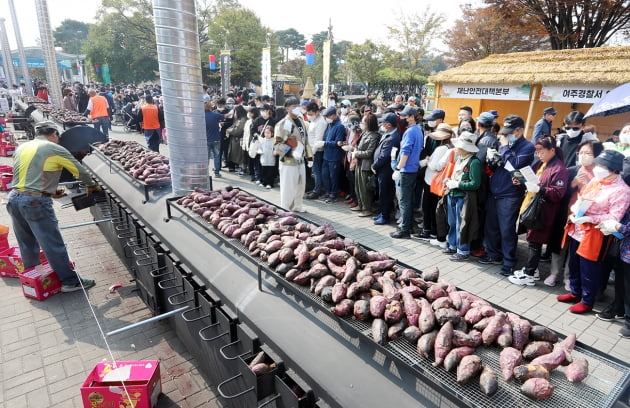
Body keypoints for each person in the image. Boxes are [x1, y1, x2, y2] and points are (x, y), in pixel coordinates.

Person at [7, 126, 100, 292]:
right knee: (52, 243)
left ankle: (34, 279)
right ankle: (70, 282)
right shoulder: (54, 148)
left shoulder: (23, 146)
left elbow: (28, 172)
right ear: (54, 134)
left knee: (27, 243)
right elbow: (79, 171)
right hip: (35, 202)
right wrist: (93, 186)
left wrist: (50, 187)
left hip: (14, 198)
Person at [558, 150, 630, 314]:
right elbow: (583, 196)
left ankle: (587, 300)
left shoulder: (622, 190)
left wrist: (591, 219)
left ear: (613, 169)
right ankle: (575, 291)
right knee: (574, 263)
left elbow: (615, 216)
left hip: (596, 234)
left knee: (589, 268)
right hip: (578, 228)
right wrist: (577, 208)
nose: (597, 168)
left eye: (602, 165)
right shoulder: (596, 180)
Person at [479, 114, 535, 276]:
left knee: (507, 230)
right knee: (491, 227)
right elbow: (499, 166)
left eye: (510, 132)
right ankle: (493, 255)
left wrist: (503, 148)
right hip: (495, 190)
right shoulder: (504, 144)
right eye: (505, 132)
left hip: (510, 194)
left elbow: (515, 166)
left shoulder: (527, 147)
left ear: (520, 130)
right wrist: (492, 159)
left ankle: (509, 261)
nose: (507, 135)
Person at [508, 136, 569, 286]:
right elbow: (531, 181)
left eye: (541, 151)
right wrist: (520, 181)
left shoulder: (559, 169)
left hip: (544, 211)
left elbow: (557, 193)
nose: (539, 155)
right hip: (533, 205)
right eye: (537, 152)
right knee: (532, 240)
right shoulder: (542, 164)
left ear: (552, 150)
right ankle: (532, 271)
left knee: (535, 242)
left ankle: (529, 273)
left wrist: (540, 189)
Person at [545, 140, 603, 288]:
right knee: (559, 245)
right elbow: (560, 194)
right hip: (566, 215)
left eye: (588, 153)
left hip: (585, 220)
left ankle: (568, 277)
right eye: (581, 152)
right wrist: (572, 184)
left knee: (575, 249)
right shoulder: (571, 171)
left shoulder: (600, 174)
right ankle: (554, 273)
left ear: (596, 155)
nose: (583, 156)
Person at [443, 132, 482, 261]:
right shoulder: (460, 158)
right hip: (452, 194)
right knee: (452, 222)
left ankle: (463, 250)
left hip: (463, 197)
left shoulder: (474, 162)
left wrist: (457, 184)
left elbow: (475, 184)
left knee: (462, 225)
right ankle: (453, 245)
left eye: (459, 146)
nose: (456, 148)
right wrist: (449, 181)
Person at [416, 123, 454, 245]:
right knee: (434, 207)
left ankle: (427, 231)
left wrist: (428, 161)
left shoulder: (441, 149)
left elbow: (437, 166)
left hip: (431, 180)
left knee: (427, 206)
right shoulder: (451, 148)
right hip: (439, 182)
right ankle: (433, 230)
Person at [597, 203, 630, 338]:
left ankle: (629, 323)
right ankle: (620, 310)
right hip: (625, 250)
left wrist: (617, 227)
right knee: (622, 284)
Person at [391, 105, 423, 239]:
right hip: (413, 169)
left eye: (404, 116)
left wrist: (398, 168)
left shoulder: (410, 132)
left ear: (411, 117)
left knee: (404, 201)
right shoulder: (418, 130)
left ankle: (405, 230)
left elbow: (405, 152)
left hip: (406, 170)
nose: (401, 118)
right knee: (408, 200)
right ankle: (408, 226)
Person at [274, 97, 309, 212]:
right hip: (288, 160)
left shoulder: (300, 120)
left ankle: (297, 205)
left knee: (300, 184)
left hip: (301, 159)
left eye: (297, 105)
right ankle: (285, 207)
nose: (297, 108)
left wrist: (308, 154)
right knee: (288, 186)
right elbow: (278, 144)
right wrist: (292, 150)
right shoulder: (283, 123)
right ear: (287, 108)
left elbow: (305, 139)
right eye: (293, 106)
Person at [372, 113, 401, 225]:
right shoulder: (388, 134)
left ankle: (385, 216)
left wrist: (374, 165)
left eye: (383, 122)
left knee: (385, 194)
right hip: (382, 170)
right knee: (382, 193)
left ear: (389, 125)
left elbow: (384, 156)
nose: (381, 124)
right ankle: (382, 213)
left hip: (386, 170)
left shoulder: (393, 138)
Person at [351, 114, 380, 217]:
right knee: (358, 186)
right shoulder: (364, 133)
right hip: (359, 163)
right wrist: (354, 152)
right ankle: (360, 205)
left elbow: (369, 153)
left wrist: (356, 153)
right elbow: (358, 146)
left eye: (363, 122)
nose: (361, 124)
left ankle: (367, 208)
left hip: (366, 165)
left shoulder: (374, 136)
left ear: (369, 123)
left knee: (365, 189)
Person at [317, 106, 346, 204]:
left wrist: (325, 143)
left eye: (328, 116)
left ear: (334, 115)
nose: (326, 119)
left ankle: (333, 194)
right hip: (326, 155)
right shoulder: (330, 125)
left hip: (334, 156)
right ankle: (328, 192)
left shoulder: (339, 126)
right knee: (325, 175)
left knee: (333, 176)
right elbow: (326, 137)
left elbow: (338, 142)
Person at [305, 102, 327, 199]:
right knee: (314, 171)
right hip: (312, 150)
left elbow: (318, 140)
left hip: (317, 151)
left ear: (317, 112)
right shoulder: (314, 121)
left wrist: (312, 153)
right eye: (308, 114)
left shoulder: (321, 122)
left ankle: (317, 190)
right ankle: (316, 188)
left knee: (316, 171)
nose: (309, 116)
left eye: (311, 114)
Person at [205, 101, 223, 178]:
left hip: (206, 139)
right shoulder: (215, 115)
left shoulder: (201, 116)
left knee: (207, 157)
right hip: (216, 138)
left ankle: (205, 173)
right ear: (210, 107)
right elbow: (225, 116)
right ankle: (217, 173)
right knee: (217, 156)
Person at [226, 105, 247, 174]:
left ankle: (243, 169)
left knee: (240, 156)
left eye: (235, 112)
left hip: (239, 140)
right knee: (238, 155)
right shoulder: (238, 119)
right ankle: (241, 168)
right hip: (236, 140)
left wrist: (228, 130)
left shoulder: (242, 119)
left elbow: (237, 131)